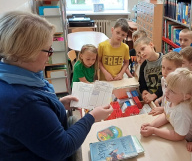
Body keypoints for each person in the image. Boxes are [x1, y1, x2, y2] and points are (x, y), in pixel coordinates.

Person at [0, 11, 113, 160]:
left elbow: (35, 119)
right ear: (28, 52)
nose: (50, 55)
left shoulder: (16, 76)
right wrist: (92, 117)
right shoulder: (25, 103)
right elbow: (62, 147)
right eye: (48, 50)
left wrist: (57, 104)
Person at [140, 68, 192, 142]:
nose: (166, 92)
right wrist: (152, 125)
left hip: (185, 143)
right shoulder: (170, 98)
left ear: (186, 96)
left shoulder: (182, 111)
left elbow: (178, 136)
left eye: (172, 91)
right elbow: (167, 115)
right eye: (166, 86)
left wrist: (154, 131)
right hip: (174, 131)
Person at [149, 51, 183, 116]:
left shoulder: (179, 85)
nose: (164, 72)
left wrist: (163, 109)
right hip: (164, 111)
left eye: (169, 69)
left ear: (179, 69)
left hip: (173, 114)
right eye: (163, 67)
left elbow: (178, 107)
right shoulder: (163, 79)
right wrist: (159, 100)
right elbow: (166, 94)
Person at [134, 36, 163, 103]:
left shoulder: (165, 60)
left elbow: (168, 83)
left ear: (151, 45)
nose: (141, 53)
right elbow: (142, 83)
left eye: (143, 49)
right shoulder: (143, 66)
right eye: (138, 52)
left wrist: (155, 95)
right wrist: (144, 91)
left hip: (163, 98)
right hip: (150, 100)